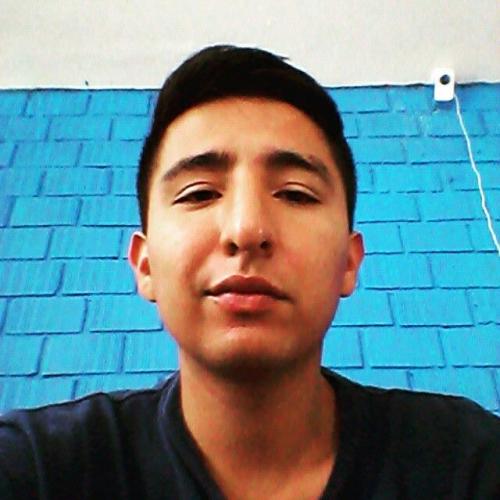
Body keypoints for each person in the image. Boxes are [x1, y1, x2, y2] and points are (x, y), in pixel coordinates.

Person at [0, 45, 498, 500]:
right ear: (145, 264)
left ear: (349, 262)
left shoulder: (467, 463)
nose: (246, 229)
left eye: (295, 194)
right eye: (199, 193)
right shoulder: (40, 467)